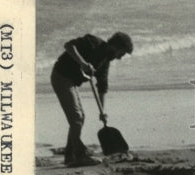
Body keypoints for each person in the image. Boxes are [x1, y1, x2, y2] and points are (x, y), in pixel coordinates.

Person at [50, 31, 133, 167]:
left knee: (80, 118)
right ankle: (79, 155)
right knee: (76, 118)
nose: (120, 57)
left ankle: (70, 156)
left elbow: (102, 87)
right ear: (117, 47)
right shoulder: (93, 42)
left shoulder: (105, 61)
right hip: (61, 76)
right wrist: (82, 63)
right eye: (122, 53)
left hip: (72, 82)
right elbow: (68, 45)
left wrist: (102, 112)